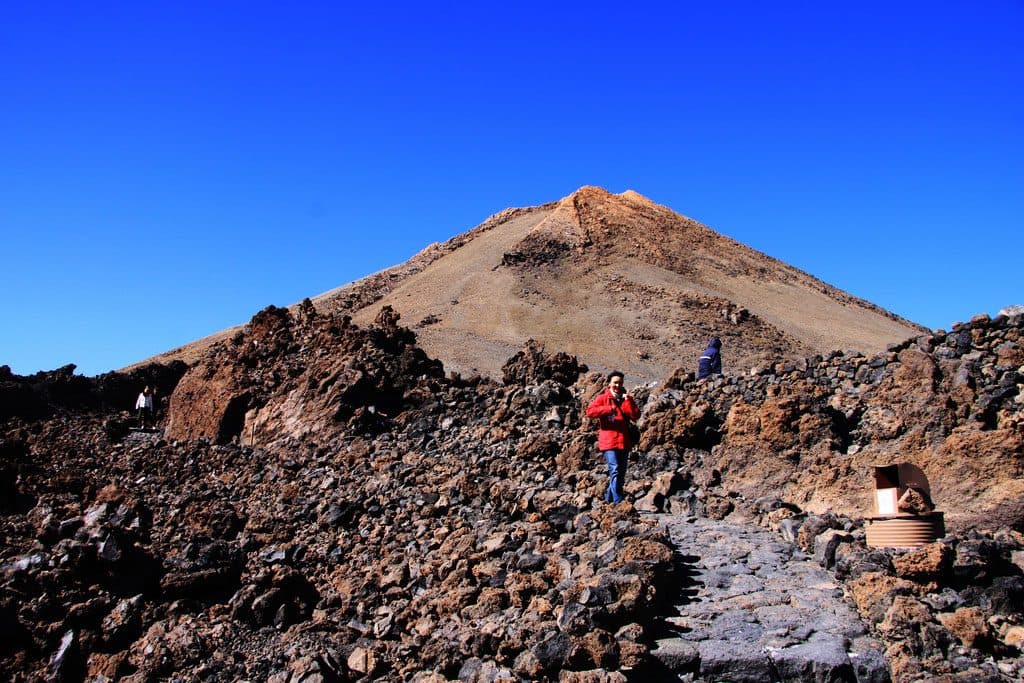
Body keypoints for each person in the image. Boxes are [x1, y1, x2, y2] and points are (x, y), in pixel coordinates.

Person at [586, 371, 640, 504]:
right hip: (609, 441)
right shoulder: (603, 398)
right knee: (615, 469)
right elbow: (590, 412)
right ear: (609, 383)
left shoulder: (625, 398)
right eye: (615, 382)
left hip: (623, 441)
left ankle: (608, 500)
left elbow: (635, 415)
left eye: (620, 383)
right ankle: (618, 501)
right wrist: (608, 409)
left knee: (620, 473)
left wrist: (628, 401)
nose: (618, 385)